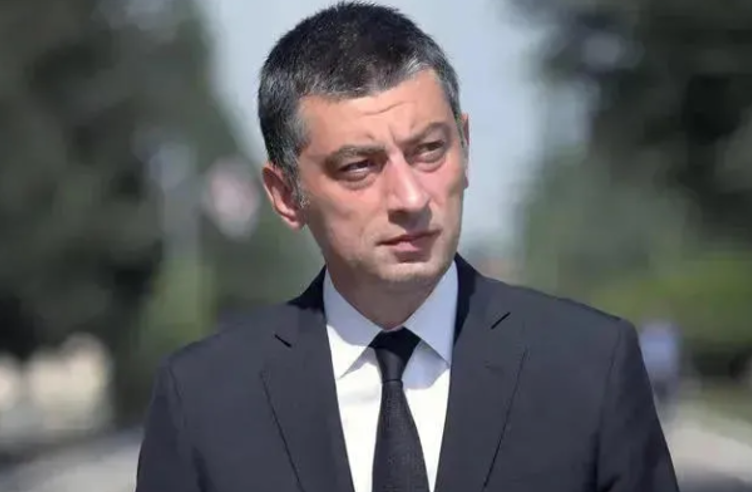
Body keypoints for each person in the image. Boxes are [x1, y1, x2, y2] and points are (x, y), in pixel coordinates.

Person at [135, 3, 680, 492]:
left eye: (429, 150)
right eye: (359, 166)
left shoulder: (589, 368)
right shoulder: (203, 400)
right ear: (285, 195)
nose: (411, 197)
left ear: (465, 146)